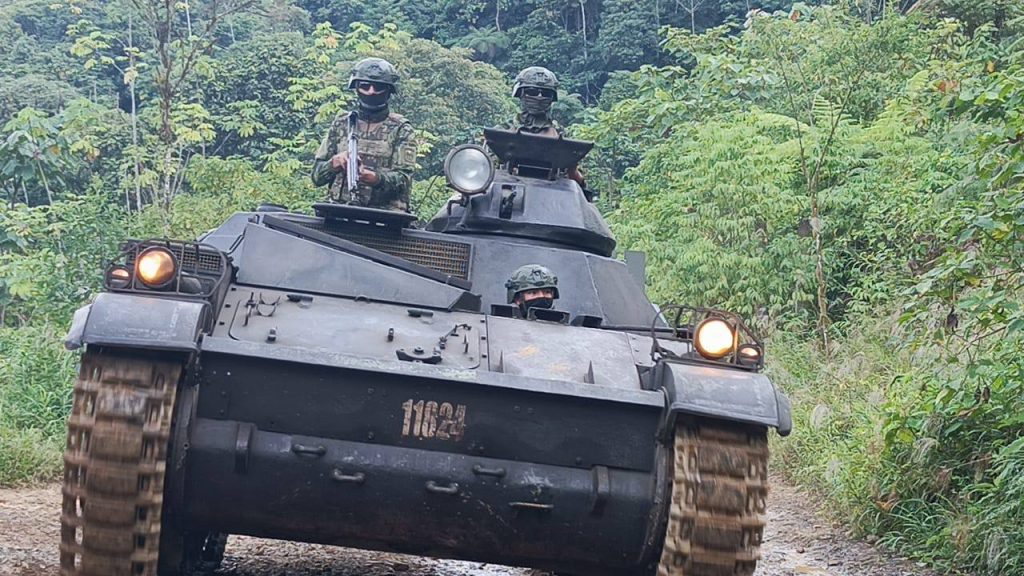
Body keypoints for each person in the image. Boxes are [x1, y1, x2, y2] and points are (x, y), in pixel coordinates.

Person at [311, 57, 417, 212]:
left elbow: (404, 180)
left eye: (378, 87)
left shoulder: (401, 129)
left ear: (388, 90)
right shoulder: (342, 123)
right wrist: (334, 162)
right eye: (365, 86)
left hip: (384, 217)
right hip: (339, 211)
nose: (371, 92)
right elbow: (316, 177)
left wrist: (375, 178)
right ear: (356, 87)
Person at [500, 66, 587, 190]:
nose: (539, 97)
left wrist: (571, 166)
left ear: (552, 97)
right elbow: (484, 170)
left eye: (545, 93)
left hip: (553, 197)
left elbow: (578, 184)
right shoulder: (503, 131)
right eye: (532, 92)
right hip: (507, 190)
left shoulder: (561, 135)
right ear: (520, 93)